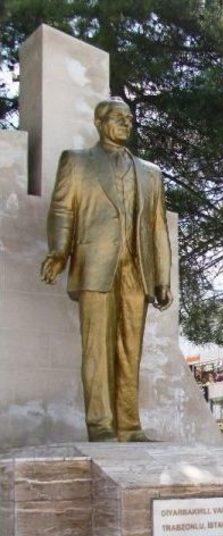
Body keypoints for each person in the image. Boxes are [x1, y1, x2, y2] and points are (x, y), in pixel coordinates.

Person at [41, 97, 172, 442]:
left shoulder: (151, 173)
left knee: (131, 348)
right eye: (118, 117)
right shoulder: (77, 162)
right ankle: (99, 425)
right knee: (96, 348)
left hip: (137, 268)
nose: (126, 123)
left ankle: (129, 425)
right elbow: (62, 209)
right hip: (94, 266)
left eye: (130, 118)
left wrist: (162, 277)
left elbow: (158, 228)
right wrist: (59, 251)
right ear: (99, 123)